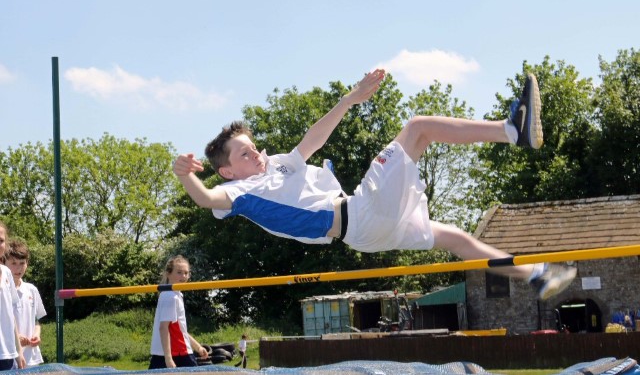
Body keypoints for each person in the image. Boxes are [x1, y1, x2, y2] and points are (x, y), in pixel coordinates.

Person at [173, 69, 576, 300]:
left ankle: (538, 274)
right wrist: (185, 174)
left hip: (364, 230)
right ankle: (512, 131)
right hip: (360, 216)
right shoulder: (240, 193)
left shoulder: (276, 167)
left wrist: (350, 99)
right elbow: (207, 199)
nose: (257, 155)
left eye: (255, 148)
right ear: (228, 171)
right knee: (418, 128)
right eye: (245, 155)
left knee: (455, 239)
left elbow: (311, 141)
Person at [149, 255, 209, 369]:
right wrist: (168, 358)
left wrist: (197, 347)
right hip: (177, 353)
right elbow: (163, 327)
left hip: (169, 353)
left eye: (186, 273)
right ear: (168, 273)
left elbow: (179, 329)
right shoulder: (170, 296)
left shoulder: (173, 294)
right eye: (179, 272)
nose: (183, 276)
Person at [5, 239, 47, 367]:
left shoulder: (32, 290)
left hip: (32, 357)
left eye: (22, 263)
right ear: (3, 263)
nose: (18, 268)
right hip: (10, 357)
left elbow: (36, 320)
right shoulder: (3, 291)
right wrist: (17, 338)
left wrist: (36, 334)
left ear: (27, 263)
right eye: (13, 263)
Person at [0, 221, 26, 370]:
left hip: (8, 356)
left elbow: (11, 317)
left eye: (1, 241)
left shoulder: (7, 273)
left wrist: (18, 351)